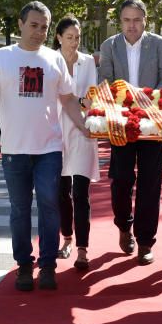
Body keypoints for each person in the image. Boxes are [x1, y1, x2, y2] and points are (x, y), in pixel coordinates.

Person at [0, 1, 88, 291]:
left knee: (51, 205)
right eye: (34, 25)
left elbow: (68, 100)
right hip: (14, 149)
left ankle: (48, 264)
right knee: (20, 209)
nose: (39, 32)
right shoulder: (2, 57)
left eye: (44, 27)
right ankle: (24, 266)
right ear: (20, 24)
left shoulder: (54, 59)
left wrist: (84, 125)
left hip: (49, 149)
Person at [98, 0, 162, 266]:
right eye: (127, 20)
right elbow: (104, 82)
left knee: (150, 184)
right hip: (121, 124)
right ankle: (123, 225)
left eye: (137, 20)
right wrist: (124, 104)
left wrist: (145, 100)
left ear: (145, 20)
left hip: (152, 122)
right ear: (120, 21)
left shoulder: (159, 44)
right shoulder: (109, 46)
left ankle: (145, 242)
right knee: (121, 180)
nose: (132, 25)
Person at [54, 15, 100, 270]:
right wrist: (72, 100)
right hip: (55, 132)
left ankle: (83, 248)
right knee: (62, 192)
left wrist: (78, 102)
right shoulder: (51, 61)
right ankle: (66, 238)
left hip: (82, 130)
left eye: (77, 38)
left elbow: (90, 97)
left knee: (81, 192)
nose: (73, 42)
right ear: (59, 37)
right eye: (69, 37)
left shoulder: (88, 63)